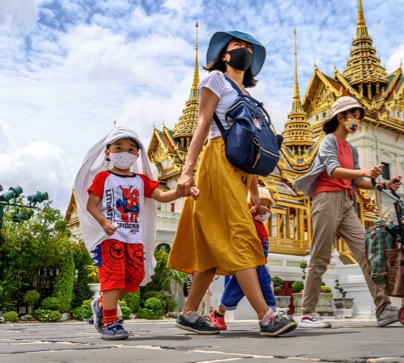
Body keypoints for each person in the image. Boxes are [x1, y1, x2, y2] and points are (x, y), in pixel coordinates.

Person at [167, 30, 297, 337]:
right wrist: (187, 170)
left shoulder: (248, 96)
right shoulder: (215, 81)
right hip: (216, 162)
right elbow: (201, 124)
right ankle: (266, 316)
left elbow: (251, 148)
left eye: (248, 48)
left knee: (214, 246)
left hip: (240, 171)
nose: (245, 51)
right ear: (224, 54)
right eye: (238, 46)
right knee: (240, 233)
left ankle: (188, 314)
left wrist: (253, 191)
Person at [74, 127, 199, 340]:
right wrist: (104, 222)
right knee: (113, 280)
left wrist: (180, 192)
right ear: (108, 153)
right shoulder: (104, 177)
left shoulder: (141, 180)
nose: (124, 152)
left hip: (134, 239)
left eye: (131, 149)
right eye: (118, 148)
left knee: (134, 279)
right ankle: (110, 323)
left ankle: (102, 303)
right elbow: (91, 205)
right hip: (111, 238)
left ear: (137, 155)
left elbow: (160, 195)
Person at [294, 96, 402, 328]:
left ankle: (383, 309)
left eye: (359, 117)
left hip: (347, 202)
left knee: (368, 254)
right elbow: (333, 171)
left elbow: (355, 181)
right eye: (354, 115)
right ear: (340, 117)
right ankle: (307, 312)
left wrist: (382, 185)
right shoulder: (328, 141)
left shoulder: (351, 149)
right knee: (320, 256)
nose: (357, 121)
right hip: (326, 200)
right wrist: (364, 171)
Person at [210, 187, 277, 330]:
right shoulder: (245, 221)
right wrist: (250, 214)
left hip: (260, 265)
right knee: (234, 290)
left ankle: (272, 315)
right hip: (244, 265)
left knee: (266, 287)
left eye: (269, 207)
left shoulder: (261, 226)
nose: (265, 210)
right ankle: (218, 312)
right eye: (261, 206)